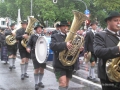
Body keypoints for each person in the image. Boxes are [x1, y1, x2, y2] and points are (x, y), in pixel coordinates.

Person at [50, 21, 83, 90]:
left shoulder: (73, 37)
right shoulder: (55, 36)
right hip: (58, 65)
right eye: (63, 26)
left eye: (66, 26)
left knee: (66, 83)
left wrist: (79, 50)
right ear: (60, 28)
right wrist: (65, 44)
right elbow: (52, 46)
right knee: (62, 83)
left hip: (69, 65)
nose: (65, 27)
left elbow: (73, 50)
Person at [94, 11, 120, 90]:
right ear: (108, 22)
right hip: (108, 75)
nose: (119, 23)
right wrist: (118, 49)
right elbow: (98, 51)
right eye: (116, 20)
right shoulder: (100, 35)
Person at [26, 24, 45, 90]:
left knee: (42, 69)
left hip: (43, 55)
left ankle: (40, 82)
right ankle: (36, 83)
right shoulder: (32, 36)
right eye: (38, 28)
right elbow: (29, 44)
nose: (40, 29)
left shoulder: (43, 36)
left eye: (41, 28)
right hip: (35, 55)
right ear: (36, 30)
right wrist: (28, 48)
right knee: (36, 69)